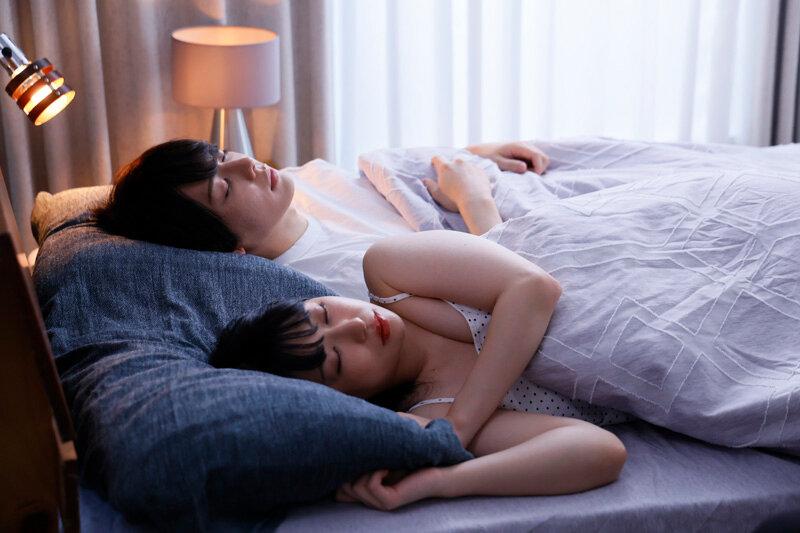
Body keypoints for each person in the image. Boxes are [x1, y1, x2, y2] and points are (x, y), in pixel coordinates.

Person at [210, 229, 627, 511]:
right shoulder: (434, 411)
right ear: (347, 400)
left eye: (322, 312)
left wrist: (461, 426)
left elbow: (534, 288)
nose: (354, 326)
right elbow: (600, 450)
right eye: (335, 358)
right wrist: (444, 482)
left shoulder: (391, 271)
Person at [94, 139, 550, 299]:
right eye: (224, 189)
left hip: (513, 186)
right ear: (229, 248)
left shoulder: (297, 181)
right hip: (513, 237)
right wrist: (474, 199)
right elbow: (509, 287)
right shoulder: (338, 280)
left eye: (222, 155)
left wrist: (471, 155)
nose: (248, 164)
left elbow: (389, 179)